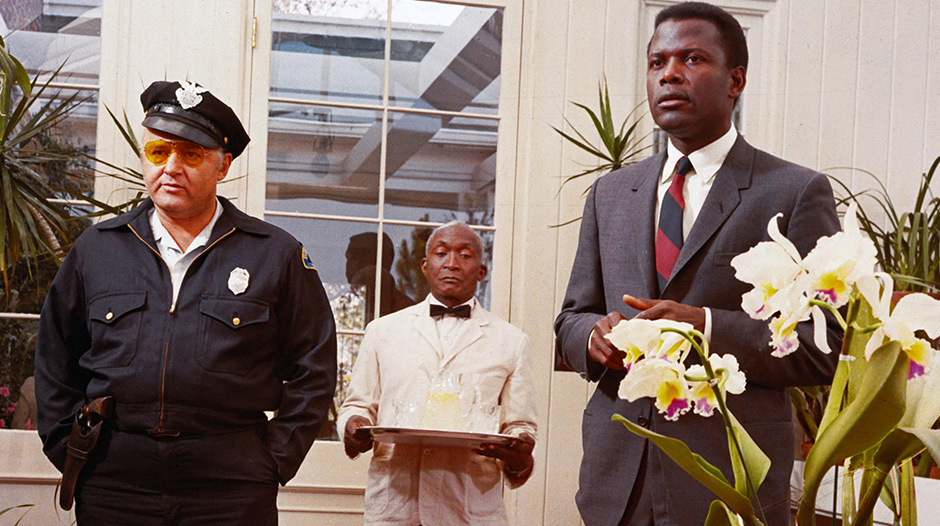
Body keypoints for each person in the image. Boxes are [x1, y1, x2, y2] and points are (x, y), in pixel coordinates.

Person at [554, 3, 842, 526]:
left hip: (731, 480)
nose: (669, 73)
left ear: (736, 80)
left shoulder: (796, 192)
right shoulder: (610, 194)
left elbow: (820, 345)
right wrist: (592, 336)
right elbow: (571, 317)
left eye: (691, 58)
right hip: (618, 478)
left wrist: (703, 326)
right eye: (657, 61)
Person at [35, 80, 337, 525]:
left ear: (223, 165)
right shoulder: (98, 249)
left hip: (230, 482)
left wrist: (272, 460)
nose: (171, 167)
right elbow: (54, 357)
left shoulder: (275, 254)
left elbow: (315, 368)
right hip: (116, 479)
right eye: (159, 152)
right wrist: (71, 450)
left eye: (191, 154)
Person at [338, 221, 537, 526]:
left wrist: (520, 458)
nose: (452, 263)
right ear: (425, 266)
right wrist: (354, 427)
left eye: (465, 255)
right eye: (441, 253)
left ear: (482, 271)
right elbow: (357, 406)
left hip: (470, 513)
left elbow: (519, 427)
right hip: (396, 509)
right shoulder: (383, 332)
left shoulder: (511, 341)